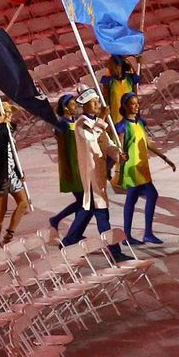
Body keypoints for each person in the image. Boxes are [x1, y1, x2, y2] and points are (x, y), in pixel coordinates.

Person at [62, 90, 127, 261]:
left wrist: (117, 155)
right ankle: (115, 252)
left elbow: (107, 144)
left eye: (99, 101)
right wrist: (103, 119)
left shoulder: (97, 123)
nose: (99, 104)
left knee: (88, 210)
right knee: (102, 214)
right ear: (85, 105)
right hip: (90, 175)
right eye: (95, 101)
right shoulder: (81, 124)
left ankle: (69, 240)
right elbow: (91, 138)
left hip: (99, 174)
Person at [117, 93, 172, 246]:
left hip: (142, 166)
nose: (136, 106)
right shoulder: (122, 126)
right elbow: (120, 148)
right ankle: (142, 233)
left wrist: (164, 157)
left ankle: (130, 235)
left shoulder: (139, 122)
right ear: (125, 106)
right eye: (133, 104)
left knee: (132, 199)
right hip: (133, 168)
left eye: (137, 103)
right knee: (151, 195)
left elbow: (148, 144)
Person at [0, 100, 31, 245]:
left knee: (23, 203)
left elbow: (12, 154)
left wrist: (19, 170)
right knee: (2, 209)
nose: (10, 115)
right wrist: (4, 126)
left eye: (11, 112)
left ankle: (10, 232)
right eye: (7, 112)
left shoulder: (9, 130)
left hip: (12, 173)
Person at [49, 93, 85, 225]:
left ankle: (74, 229)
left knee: (83, 202)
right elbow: (63, 150)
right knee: (84, 202)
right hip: (72, 168)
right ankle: (57, 220)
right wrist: (68, 170)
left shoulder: (76, 122)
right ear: (65, 108)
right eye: (73, 104)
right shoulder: (62, 126)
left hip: (81, 165)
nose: (76, 106)